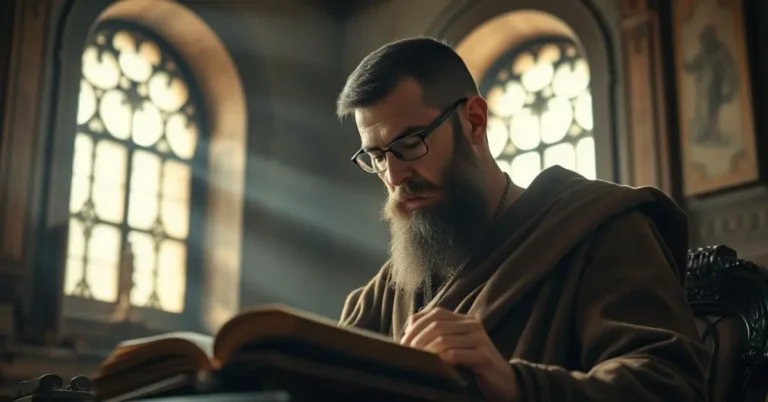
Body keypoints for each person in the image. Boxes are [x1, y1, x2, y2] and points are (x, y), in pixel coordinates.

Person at [336, 37, 709, 401]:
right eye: (378, 157)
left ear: (474, 121)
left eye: (410, 144)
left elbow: (666, 384)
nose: (394, 176)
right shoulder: (388, 290)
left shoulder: (601, 227)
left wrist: (516, 384)